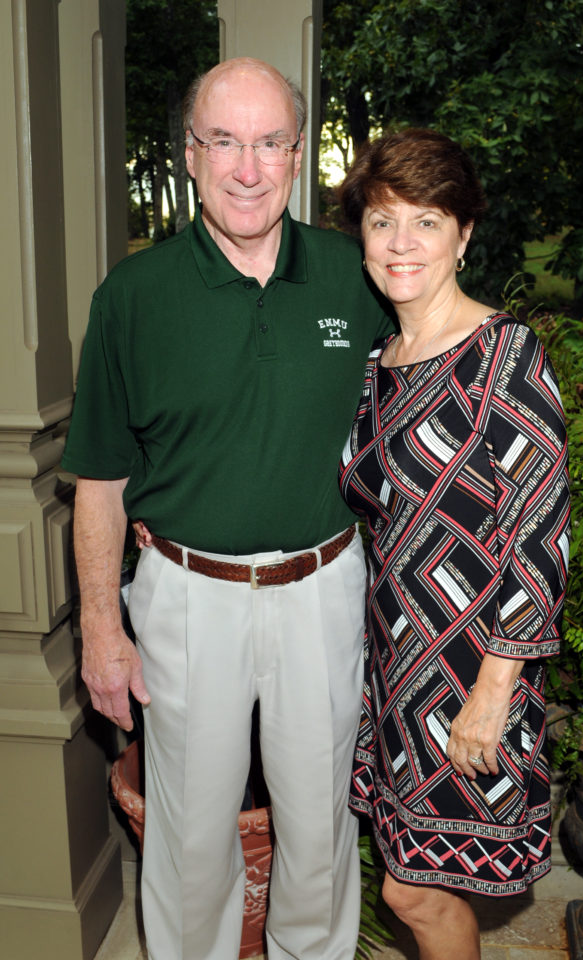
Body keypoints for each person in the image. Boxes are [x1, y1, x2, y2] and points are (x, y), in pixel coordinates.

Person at [61, 58, 393, 960]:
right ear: (192, 156)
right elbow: (97, 481)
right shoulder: (132, 298)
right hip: (184, 594)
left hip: (322, 588)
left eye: (270, 142)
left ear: (297, 155)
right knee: (190, 833)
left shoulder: (357, 279)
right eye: (225, 142)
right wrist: (100, 629)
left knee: (320, 827)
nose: (249, 167)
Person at [338, 128, 570, 960]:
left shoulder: (505, 355)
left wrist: (494, 689)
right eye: (382, 221)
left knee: (414, 889)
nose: (402, 244)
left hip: (472, 668)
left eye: (427, 221)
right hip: (398, 665)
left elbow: (541, 534)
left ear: (465, 235)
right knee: (410, 877)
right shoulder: (379, 361)